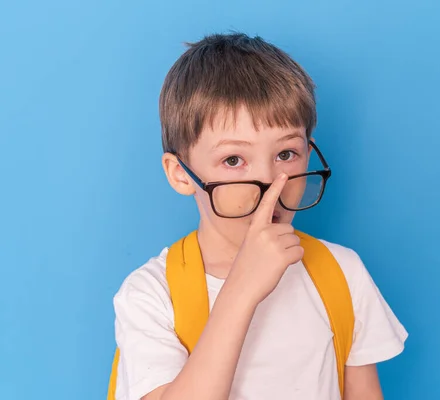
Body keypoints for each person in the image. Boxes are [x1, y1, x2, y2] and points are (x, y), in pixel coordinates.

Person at [111, 32, 408, 400]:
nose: (271, 183)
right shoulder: (151, 295)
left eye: (286, 154)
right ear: (180, 174)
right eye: (234, 160)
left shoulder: (343, 273)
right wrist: (241, 290)